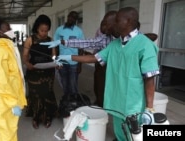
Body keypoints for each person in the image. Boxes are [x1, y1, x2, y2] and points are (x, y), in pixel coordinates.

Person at [55, 7, 160, 141]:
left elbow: (150, 77)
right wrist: (69, 57)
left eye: (117, 20)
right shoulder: (115, 44)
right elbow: (94, 58)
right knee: (120, 133)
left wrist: (149, 108)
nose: (114, 24)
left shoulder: (145, 45)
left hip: (133, 105)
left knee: (134, 136)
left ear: (128, 21)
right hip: (116, 101)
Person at [41, 11, 118, 107]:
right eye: (103, 23)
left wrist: (77, 62)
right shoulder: (105, 38)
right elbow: (87, 44)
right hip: (104, 66)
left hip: (121, 76)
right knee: (100, 87)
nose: (103, 28)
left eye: (106, 24)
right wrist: (62, 44)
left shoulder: (135, 41)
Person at [22, 14, 58, 129]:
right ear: (37, 28)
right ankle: (36, 118)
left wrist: (55, 61)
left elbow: (53, 55)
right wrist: (28, 64)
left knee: (47, 94)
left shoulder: (50, 40)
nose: (44, 33)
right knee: (36, 95)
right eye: (42, 30)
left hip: (48, 72)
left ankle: (47, 117)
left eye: (46, 31)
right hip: (34, 71)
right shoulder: (30, 40)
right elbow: (25, 56)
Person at [54, 11, 85, 96]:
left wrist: (80, 65)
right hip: (62, 62)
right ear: (67, 17)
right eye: (70, 16)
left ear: (76, 20)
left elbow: (81, 48)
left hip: (74, 63)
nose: (71, 19)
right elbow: (55, 46)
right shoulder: (59, 30)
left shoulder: (79, 31)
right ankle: (67, 103)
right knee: (64, 84)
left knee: (73, 85)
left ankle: (74, 103)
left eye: (74, 18)